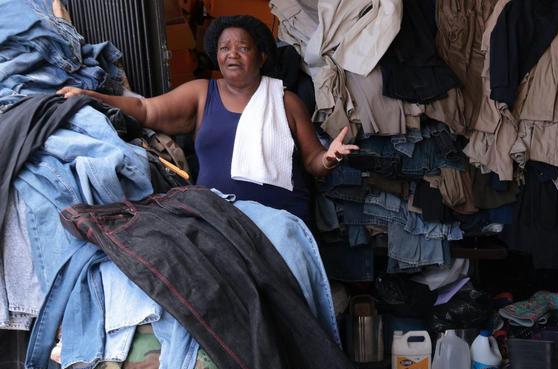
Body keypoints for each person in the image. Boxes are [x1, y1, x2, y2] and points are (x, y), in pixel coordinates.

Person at [58, 15, 357, 223]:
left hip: (284, 223)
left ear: (262, 56)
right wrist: (95, 97)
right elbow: (146, 110)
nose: (232, 54)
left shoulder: (285, 100)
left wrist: (329, 158)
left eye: (243, 47)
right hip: (217, 222)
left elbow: (313, 161)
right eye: (225, 48)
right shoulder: (202, 93)